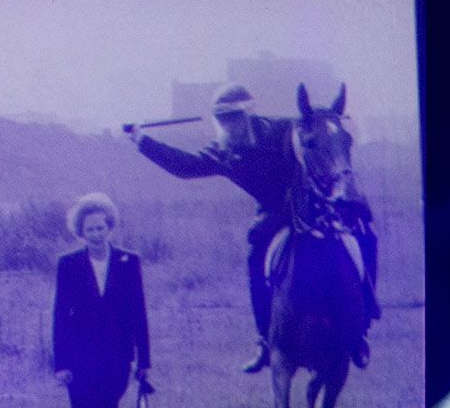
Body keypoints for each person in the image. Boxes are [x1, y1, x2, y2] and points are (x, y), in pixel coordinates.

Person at [129, 85, 377, 372]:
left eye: (233, 117)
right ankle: (264, 340)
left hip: (315, 204)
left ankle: (362, 322)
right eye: (222, 119)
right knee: (256, 252)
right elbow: (186, 166)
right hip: (274, 214)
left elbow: (319, 135)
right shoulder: (223, 153)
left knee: (364, 233)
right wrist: (142, 141)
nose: (228, 125)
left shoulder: (283, 129)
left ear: (248, 113)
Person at [51, 193, 149, 408]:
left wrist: (144, 360)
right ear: (81, 232)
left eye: (101, 227)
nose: (96, 234)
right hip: (79, 359)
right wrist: (60, 364)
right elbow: (60, 316)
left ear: (110, 227)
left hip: (116, 357)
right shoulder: (68, 265)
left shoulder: (128, 262)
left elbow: (139, 313)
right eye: (90, 229)